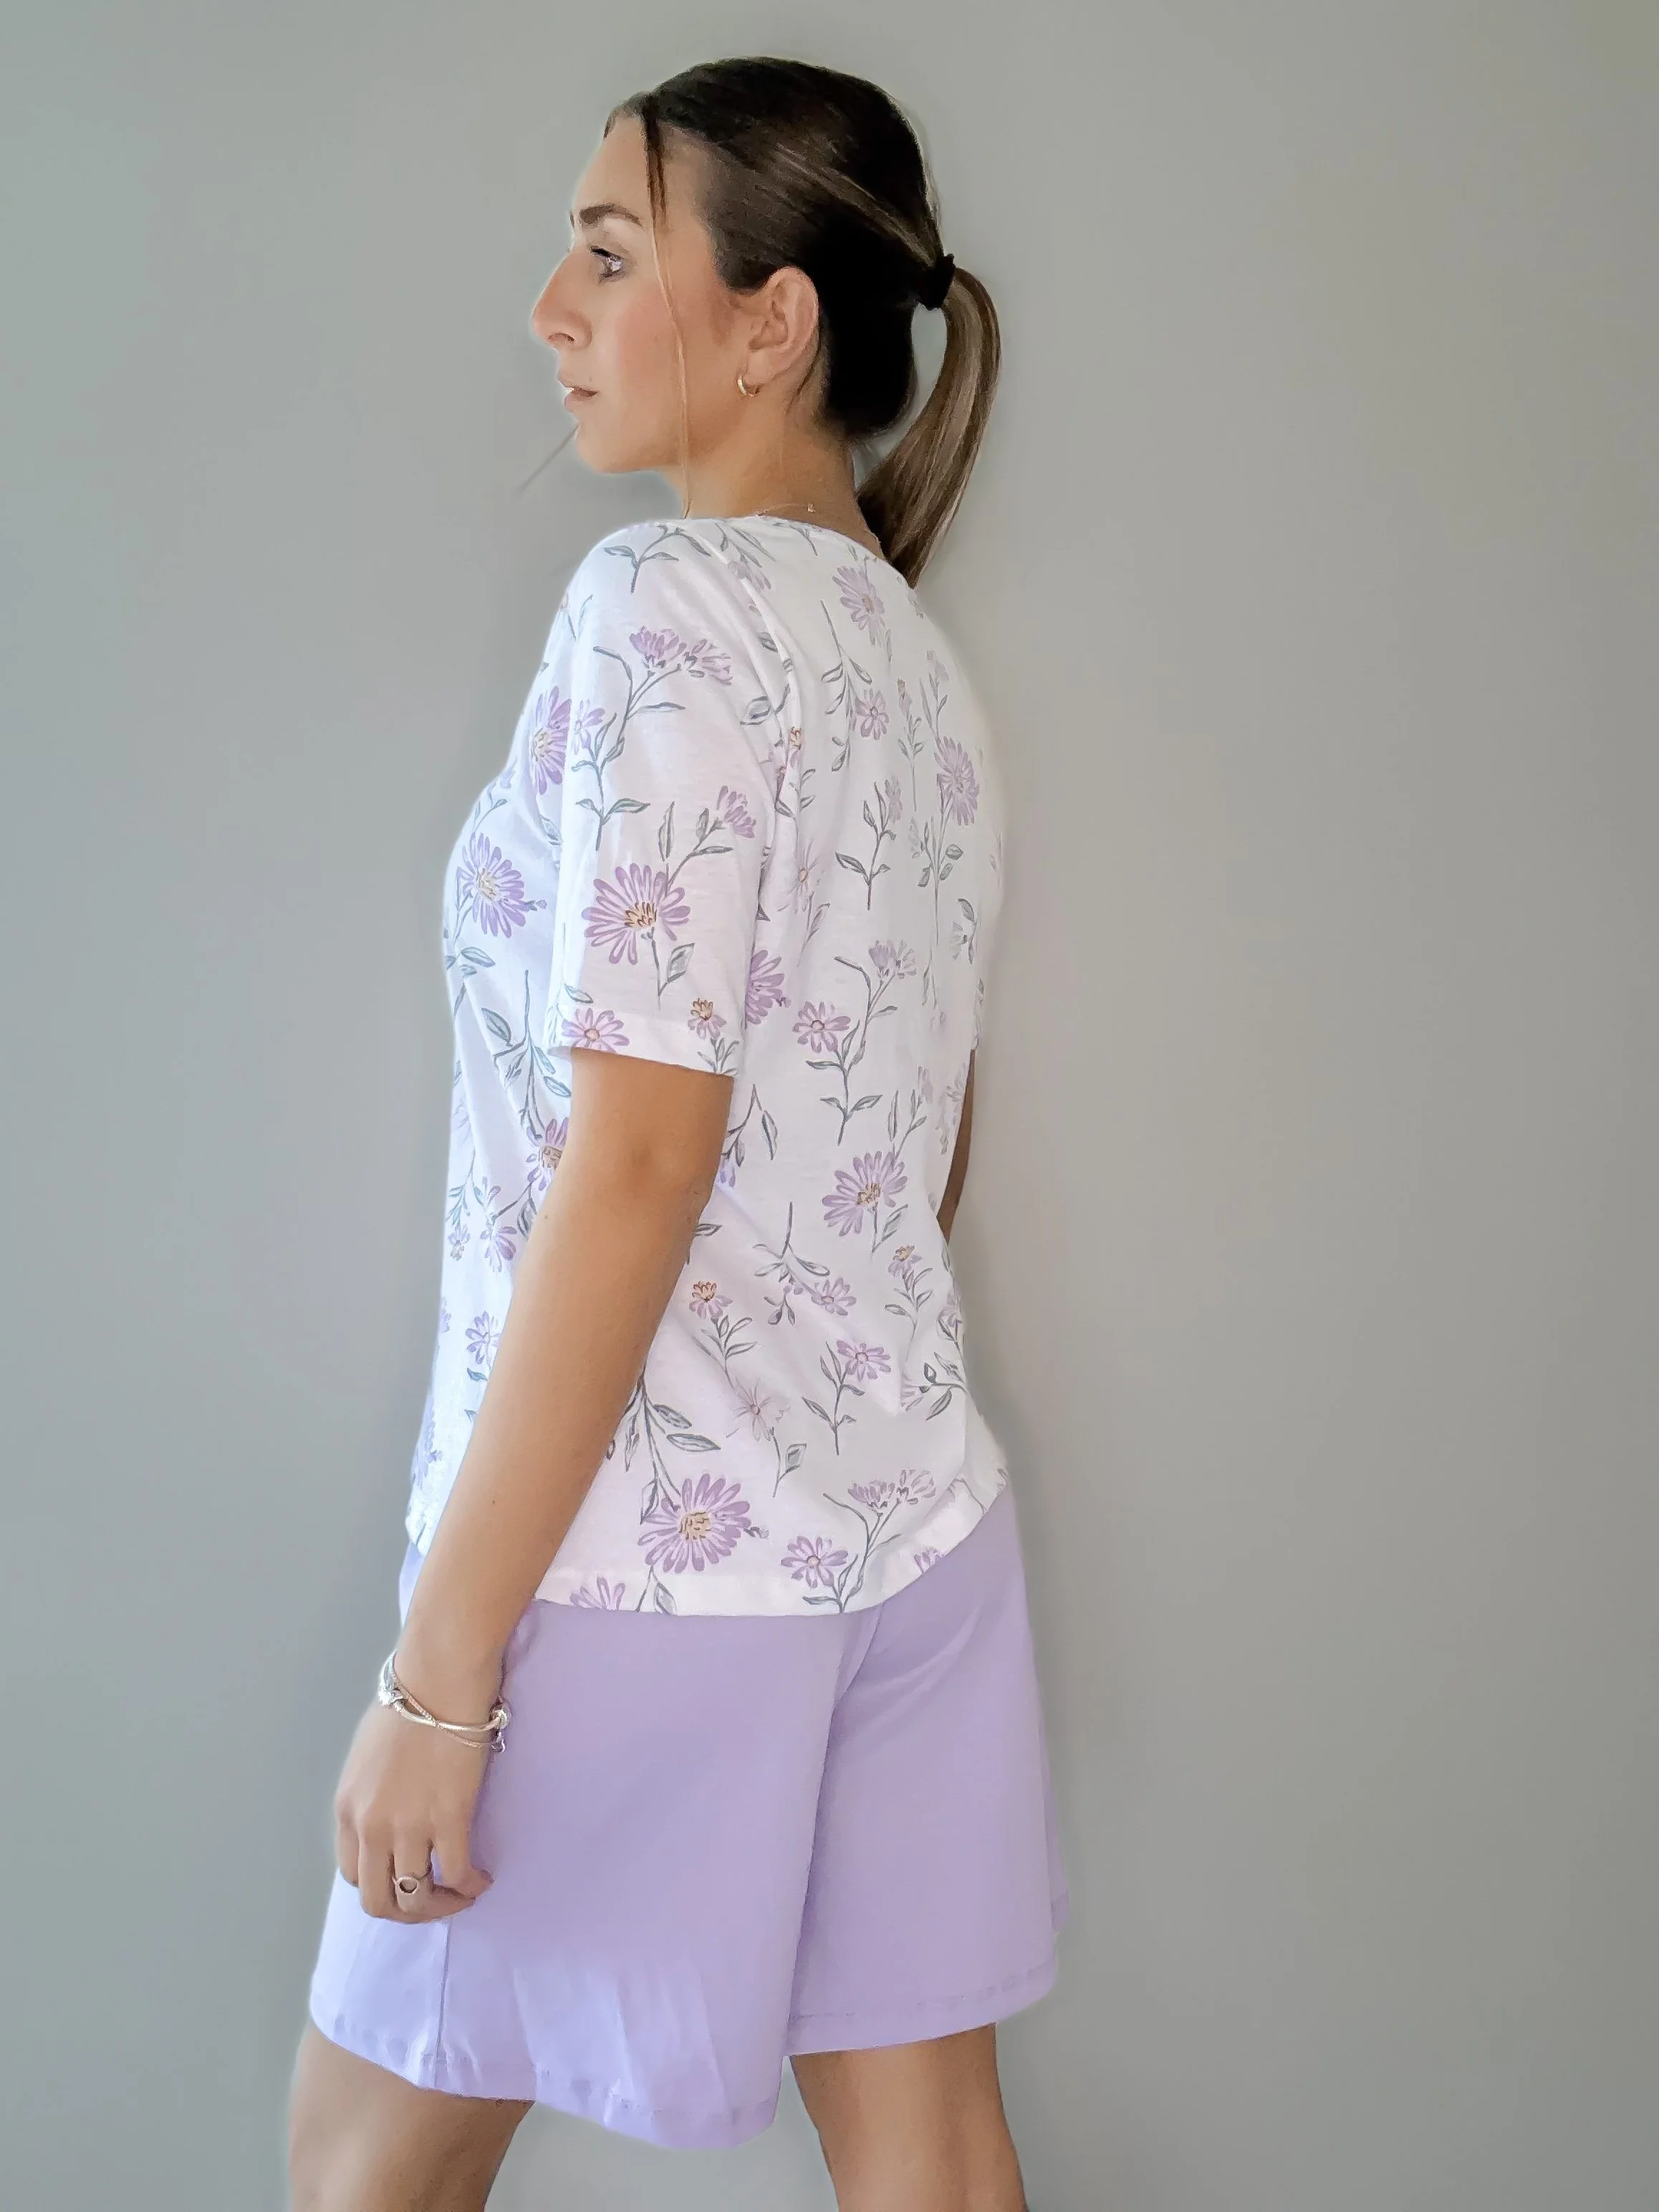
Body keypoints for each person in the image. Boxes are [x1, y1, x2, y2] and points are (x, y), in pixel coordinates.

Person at [287, 55, 1067, 2212]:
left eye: (612, 254)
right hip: (907, 1532)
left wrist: (443, 1678)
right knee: (933, 2161)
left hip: (641, 1563)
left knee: (362, 2169)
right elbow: (913, 1156)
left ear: (771, 322)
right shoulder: (916, 671)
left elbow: (640, 1162)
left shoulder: (668, 610)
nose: (552, 306)